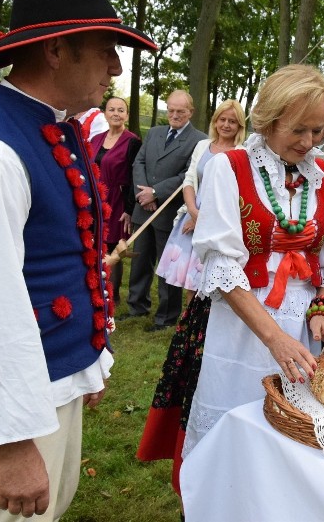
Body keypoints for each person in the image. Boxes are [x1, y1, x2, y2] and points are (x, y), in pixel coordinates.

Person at [0, 0, 157, 520]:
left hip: (53, 375)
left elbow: (72, 258)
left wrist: (87, 358)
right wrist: (12, 444)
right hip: (18, 402)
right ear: (55, 50)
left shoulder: (50, 126)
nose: (116, 68)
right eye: (104, 50)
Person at [182, 64, 324, 458]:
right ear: (269, 121)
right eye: (298, 129)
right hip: (243, 327)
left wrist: (321, 309)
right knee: (235, 430)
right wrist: (275, 339)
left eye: (318, 129)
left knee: (293, 437)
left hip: (304, 329)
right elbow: (222, 266)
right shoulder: (229, 167)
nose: (310, 141)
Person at [137, 99, 246, 495]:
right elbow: (189, 180)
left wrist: (211, 221)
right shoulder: (203, 148)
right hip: (193, 218)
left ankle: (194, 321)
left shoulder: (242, 153)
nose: (228, 124)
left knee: (205, 280)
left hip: (220, 226)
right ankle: (180, 319)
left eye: (235, 121)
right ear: (216, 121)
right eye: (223, 119)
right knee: (183, 277)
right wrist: (194, 214)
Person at [127, 90, 207, 329]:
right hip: (143, 207)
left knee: (168, 265)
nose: (174, 115)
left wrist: (157, 192)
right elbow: (139, 162)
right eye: (171, 110)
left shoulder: (199, 141)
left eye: (180, 111)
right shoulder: (154, 133)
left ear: (190, 112)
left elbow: (188, 176)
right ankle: (137, 306)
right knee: (140, 261)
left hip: (169, 211)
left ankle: (166, 316)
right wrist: (144, 194)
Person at [89, 96, 141, 302]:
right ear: (105, 113)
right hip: (95, 198)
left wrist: (129, 209)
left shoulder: (133, 142)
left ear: (126, 115)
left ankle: (112, 294)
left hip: (118, 200)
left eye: (121, 110)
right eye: (112, 110)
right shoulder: (96, 139)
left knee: (114, 246)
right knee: (94, 242)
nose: (116, 114)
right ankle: (93, 287)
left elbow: (134, 177)